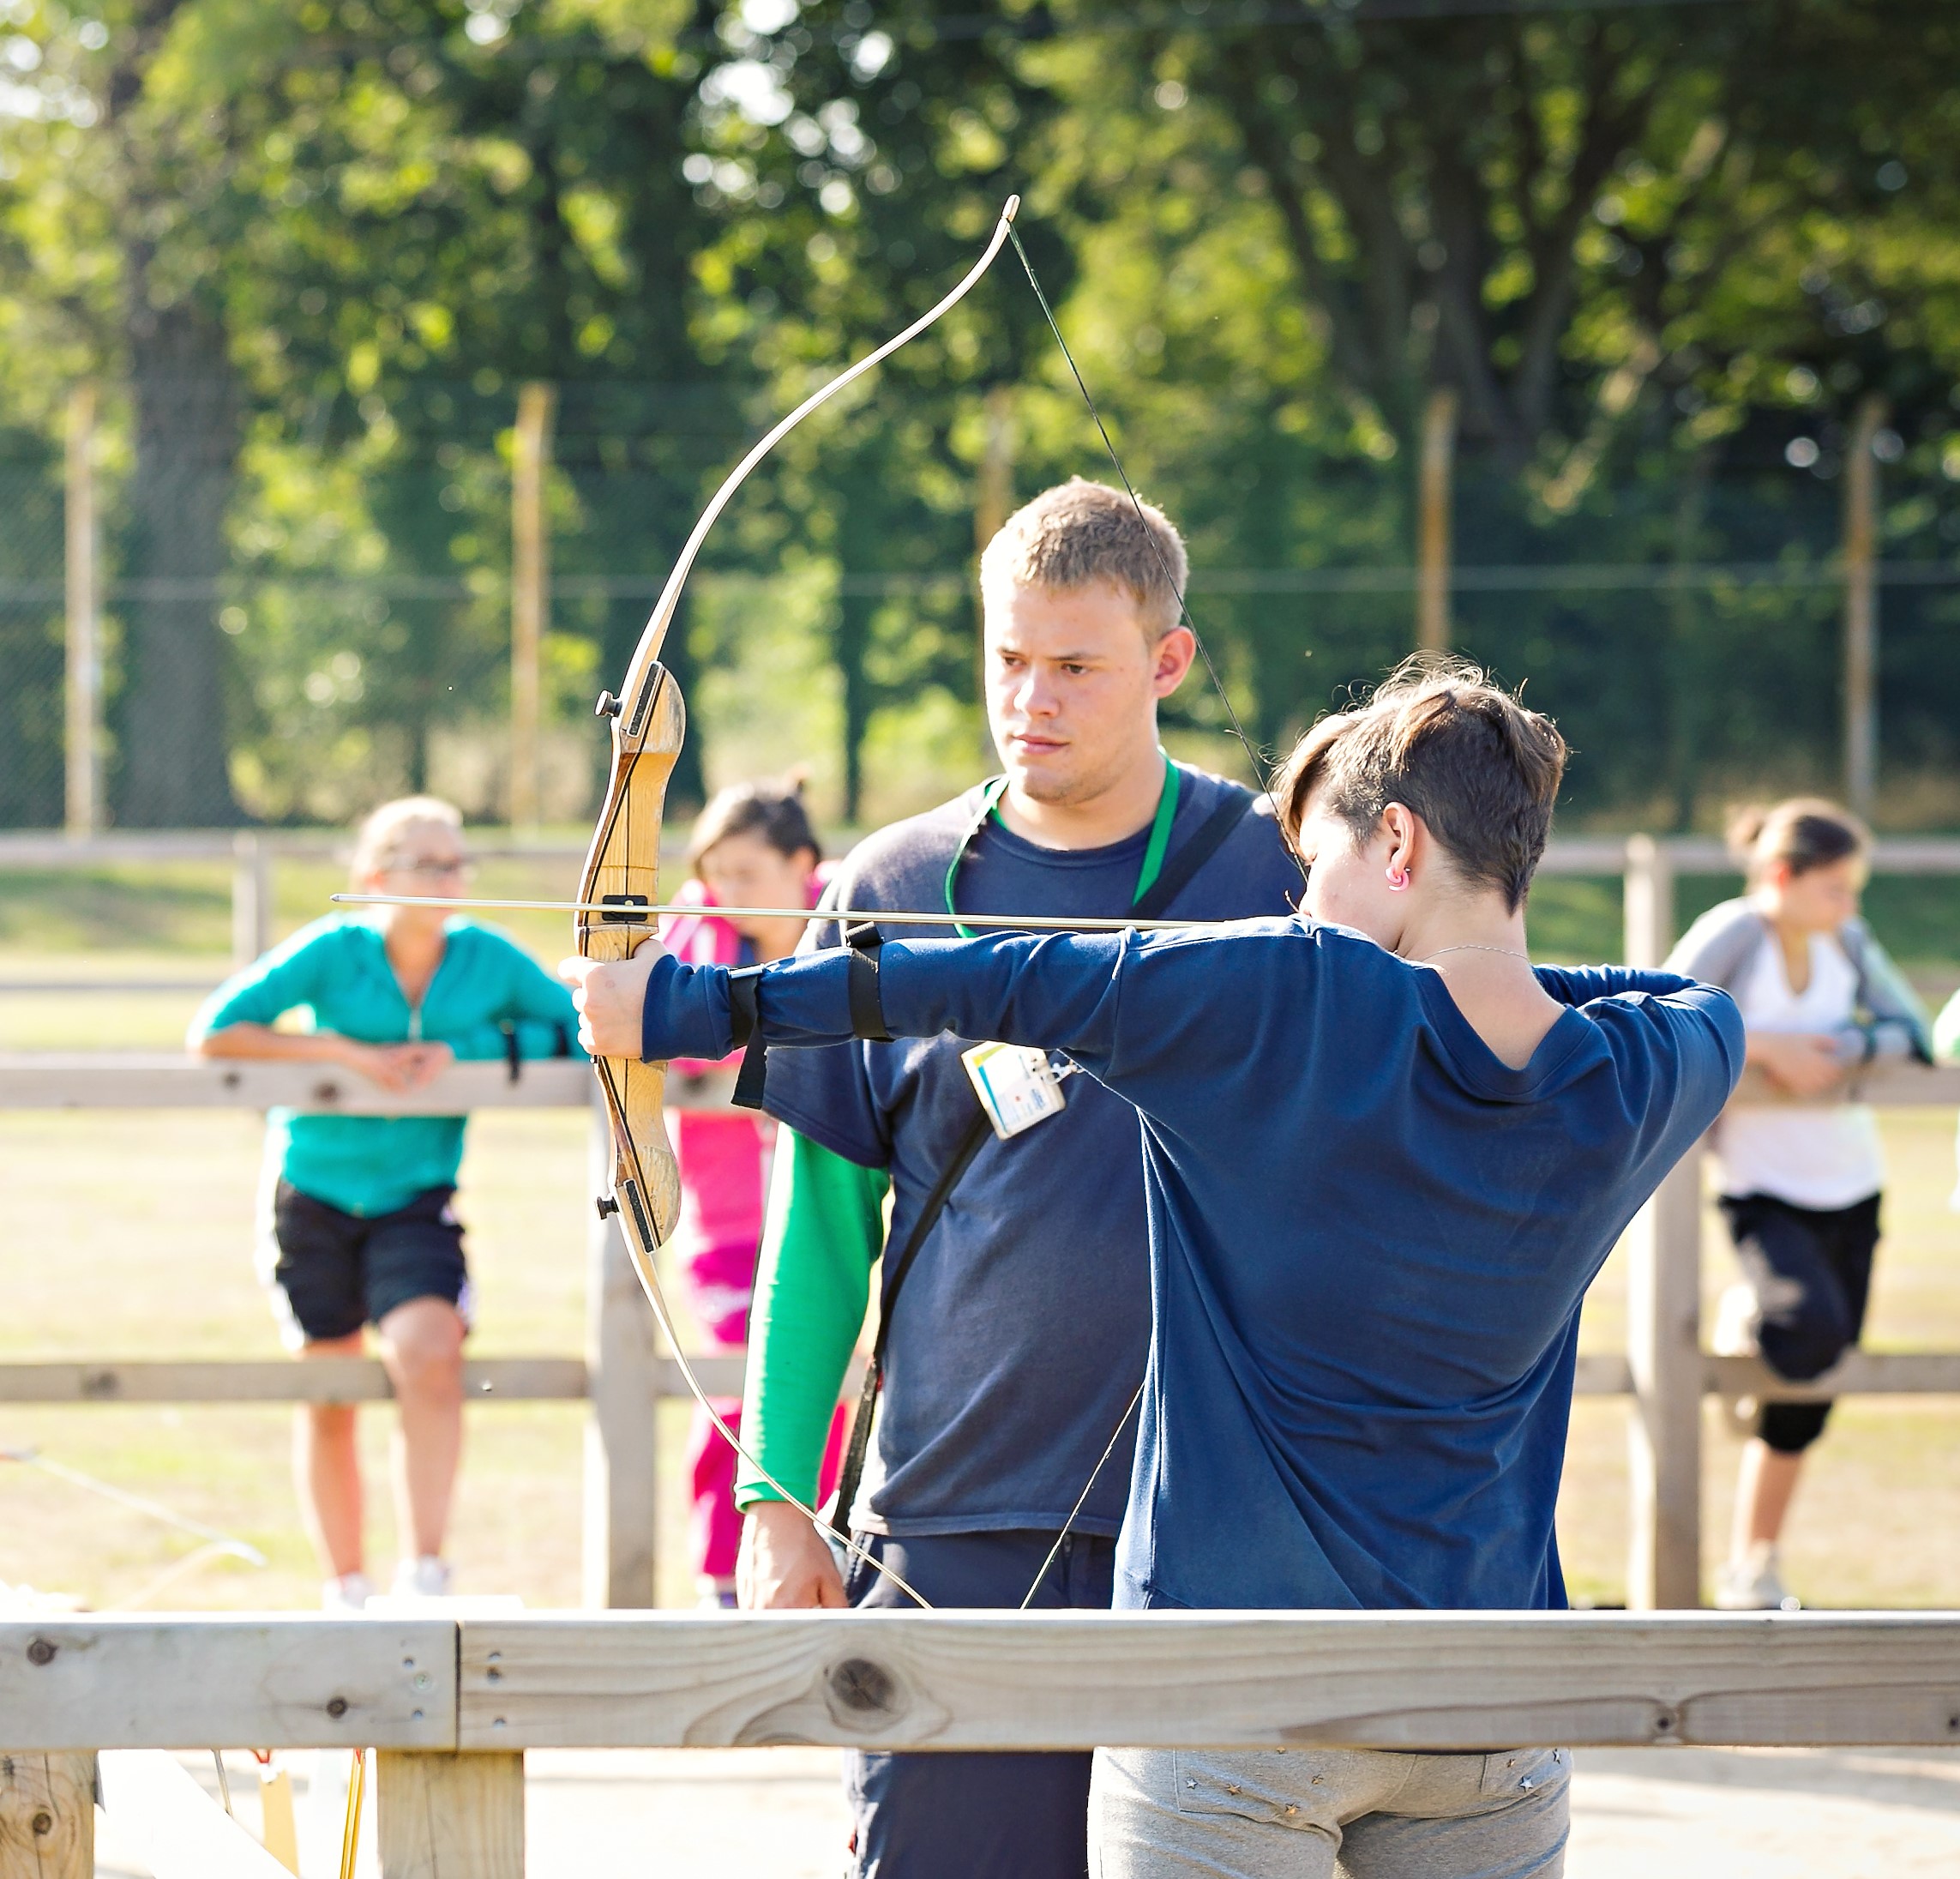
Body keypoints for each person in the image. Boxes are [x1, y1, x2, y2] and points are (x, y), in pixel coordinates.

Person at [566, 659, 1743, 1879]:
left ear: (1394, 839)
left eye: (1319, 868)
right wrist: (1495, 973)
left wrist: (699, 1005)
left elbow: (987, 972)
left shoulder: (1281, 986)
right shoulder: (1649, 1063)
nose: (1301, 906)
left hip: (1224, 1696)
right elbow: (1688, 993)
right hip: (1491, 1708)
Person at [724, 479, 1305, 1877]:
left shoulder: (1283, 876)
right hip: (950, 1519)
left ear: (1167, 662)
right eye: (1007, 659)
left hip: (1237, 1535)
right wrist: (772, 1495)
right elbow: (818, 1226)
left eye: (1075, 666)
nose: (1028, 698)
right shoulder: (890, 882)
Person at [191, 797, 581, 1611]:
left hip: (417, 1196)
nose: (449, 877)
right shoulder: (334, 951)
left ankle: (425, 1575)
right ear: (375, 877)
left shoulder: (486, 958)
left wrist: (468, 1052)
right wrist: (340, 1052)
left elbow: (582, 1026)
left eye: (457, 862)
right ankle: (346, 1589)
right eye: (427, 863)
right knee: (329, 1387)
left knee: (429, 1352)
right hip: (314, 1192)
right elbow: (219, 1028)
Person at [1666, 799, 1931, 1613]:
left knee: (1815, 1379)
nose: (1852, 908)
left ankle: (1755, 1567)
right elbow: (1661, 1016)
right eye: (1836, 889)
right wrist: (1761, 1045)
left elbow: (1910, 1028)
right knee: (1802, 1334)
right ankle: (1752, 1321)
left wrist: (1851, 1046)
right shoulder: (1733, 934)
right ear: (1780, 877)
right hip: (1762, 1191)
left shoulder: (1846, 941)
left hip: (1854, 1186)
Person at [658, 774, 845, 1607]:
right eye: (715, 873)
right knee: (741, 1377)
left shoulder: (852, 919)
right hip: (731, 1219)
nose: (726, 892)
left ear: (801, 863)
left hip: (840, 1211)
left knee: (840, 1381)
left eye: (746, 872)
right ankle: (722, 1573)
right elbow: (666, 1032)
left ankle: (827, 1554)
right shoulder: (694, 936)